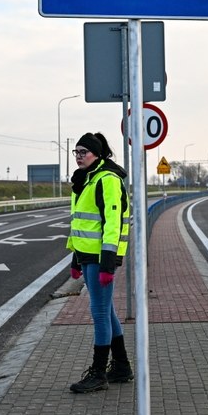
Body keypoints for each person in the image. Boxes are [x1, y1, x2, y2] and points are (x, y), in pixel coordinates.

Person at [65, 132, 132, 394]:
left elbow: (112, 224)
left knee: (100, 313)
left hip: (101, 258)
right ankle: (122, 367)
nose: (79, 156)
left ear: (97, 154)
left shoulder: (107, 180)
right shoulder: (87, 179)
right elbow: (82, 224)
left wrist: (107, 264)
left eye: (84, 152)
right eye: (76, 152)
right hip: (88, 256)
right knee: (107, 311)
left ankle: (98, 373)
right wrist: (75, 258)